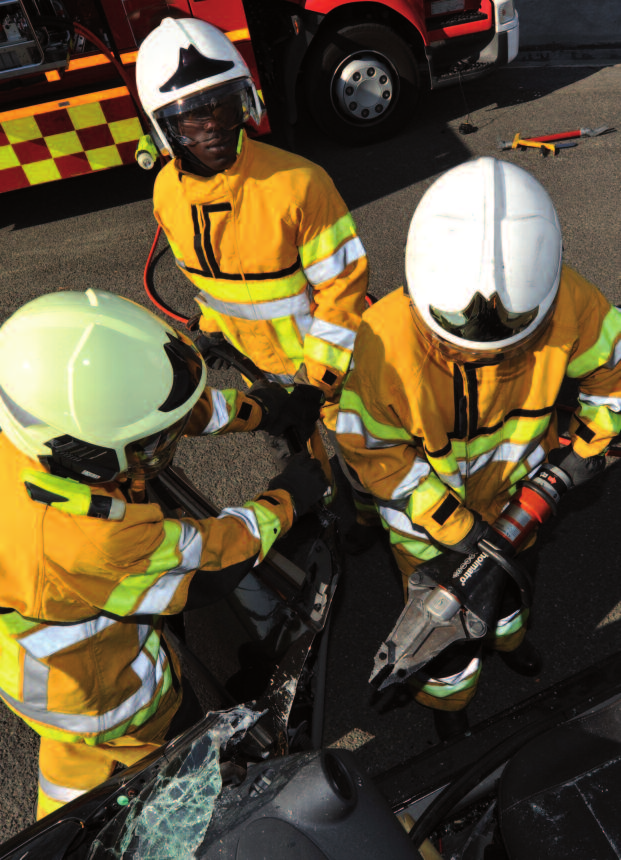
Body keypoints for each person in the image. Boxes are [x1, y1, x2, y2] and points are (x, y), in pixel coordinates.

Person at [0, 289, 327, 819]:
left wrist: (261, 410)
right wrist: (286, 500)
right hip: (103, 697)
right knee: (159, 780)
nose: (161, 450)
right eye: (149, 448)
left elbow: (155, 415)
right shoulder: (86, 535)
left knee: (71, 771)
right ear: (88, 458)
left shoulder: (34, 412)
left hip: (37, 665)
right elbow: (208, 563)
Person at [336, 157, 621, 737]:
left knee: (513, 587)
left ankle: (512, 642)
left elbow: (614, 384)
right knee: (445, 631)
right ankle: (451, 709)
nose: (484, 354)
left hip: (519, 503)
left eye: (508, 340)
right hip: (430, 526)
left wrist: (577, 458)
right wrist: (452, 524)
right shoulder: (384, 341)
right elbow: (372, 450)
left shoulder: (572, 305)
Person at [134, 17, 368, 489]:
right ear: (165, 128)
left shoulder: (301, 183)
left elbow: (343, 289)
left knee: (366, 449)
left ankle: (368, 519)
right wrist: (214, 327)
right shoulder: (167, 193)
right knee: (297, 452)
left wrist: (315, 382)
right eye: (194, 117)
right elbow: (210, 281)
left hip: (330, 364)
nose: (215, 127)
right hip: (255, 366)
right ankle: (321, 504)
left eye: (223, 107)